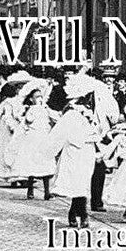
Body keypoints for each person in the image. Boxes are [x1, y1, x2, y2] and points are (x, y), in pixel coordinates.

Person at [51, 74, 102, 228]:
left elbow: (96, 131)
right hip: (74, 151)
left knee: (83, 183)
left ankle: (74, 212)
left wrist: (96, 135)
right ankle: (83, 214)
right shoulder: (71, 113)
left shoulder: (89, 113)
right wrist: (90, 136)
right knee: (78, 183)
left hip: (87, 152)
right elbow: (72, 136)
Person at [1, 79, 57, 198]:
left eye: (41, 97)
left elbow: (54, 119)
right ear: (31, 99)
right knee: (32, 165)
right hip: (33, 139)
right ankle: (30, 190)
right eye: (37, 97)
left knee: (45, 165)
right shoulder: (31, 109)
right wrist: (29, 112)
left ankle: (47, 192)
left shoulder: (45, 109)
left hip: (43, 138)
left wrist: (46, 109)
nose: (40, 99)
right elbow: (28, 120)